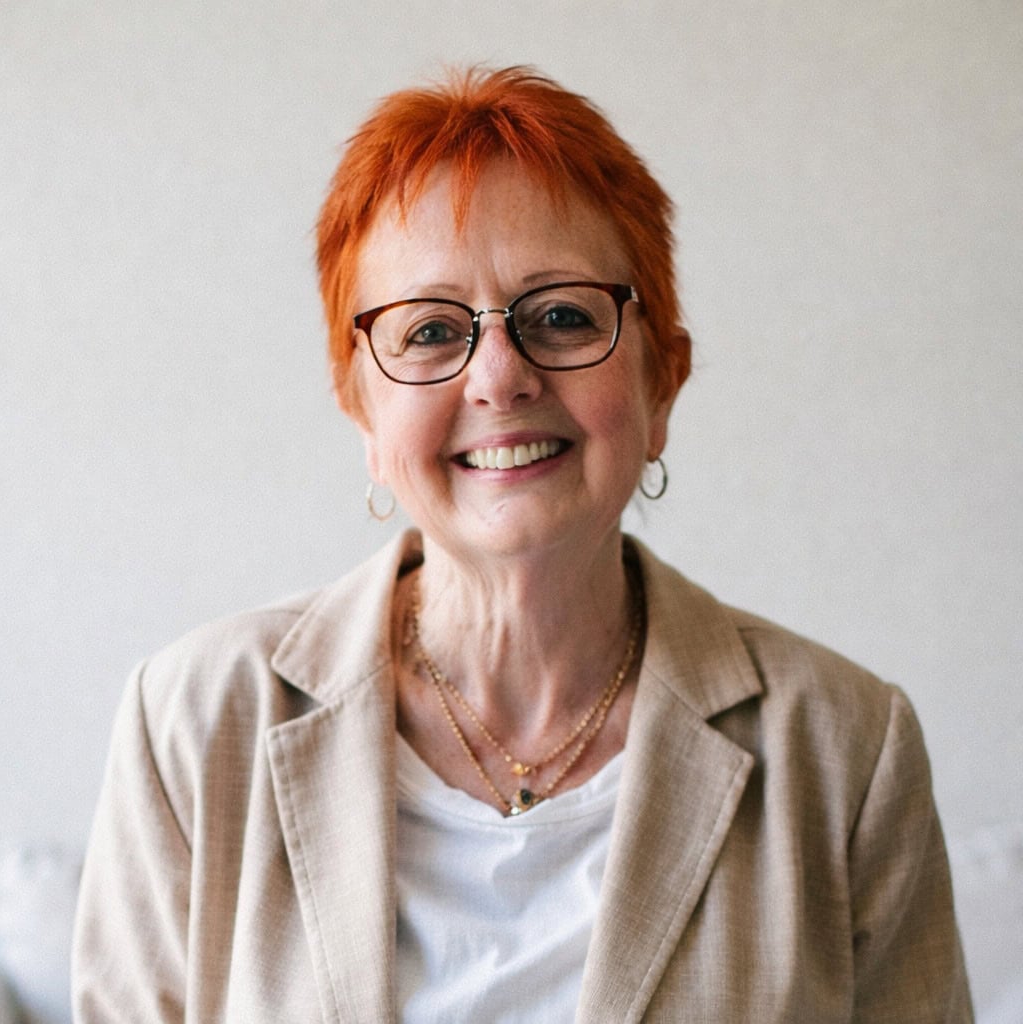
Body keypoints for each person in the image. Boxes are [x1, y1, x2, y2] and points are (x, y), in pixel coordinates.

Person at [72, 66, 972, 1022]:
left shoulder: (846, 748)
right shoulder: (194, 724)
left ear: (662, 382)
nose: (499, 378)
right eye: (429, 331)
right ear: (362, 411)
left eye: (561, 316)